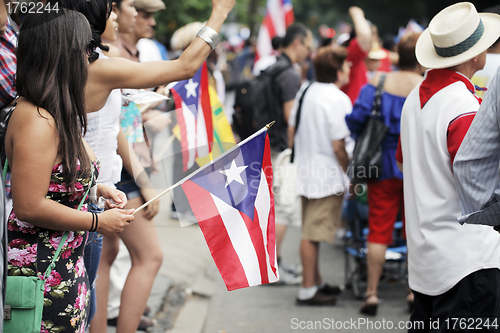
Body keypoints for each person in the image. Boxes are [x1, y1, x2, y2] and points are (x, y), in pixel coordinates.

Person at [55, 0, 235, 331]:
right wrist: (219, 14)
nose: (120, 17)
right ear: (95, 20)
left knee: (96, 274)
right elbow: (184, 67)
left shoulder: (90, 63)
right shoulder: (102, 68)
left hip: (101, 189)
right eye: (110, 11)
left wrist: (140, 175)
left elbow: (116, 127)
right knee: (129, 265)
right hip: (95, 191)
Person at [5, 9, 135, 331]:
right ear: (61, 54)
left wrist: (96, 189)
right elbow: (29, 204)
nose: (90, 58)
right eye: (84, 49)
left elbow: (54, 180)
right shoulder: (37, 119)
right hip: (41, 271)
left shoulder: (54, 109)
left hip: (63, 265)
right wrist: (97, 221)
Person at [396, 3, 500, 331]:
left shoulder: (415, 98)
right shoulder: (463, 105)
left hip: (427, 260)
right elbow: (479, 179)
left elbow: (403, 161)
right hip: (468, 261)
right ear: (474, 55)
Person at [346, 32, 424, 316]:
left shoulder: (377, 83)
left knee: (378, 230)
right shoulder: (427, 87)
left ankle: (372, 293)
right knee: (415, 231)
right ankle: (414, 291)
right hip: (416, 169)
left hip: (381, 166)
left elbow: (355, 121)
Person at [289, 46, 351, 305]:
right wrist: (351, 172)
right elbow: (339, 145)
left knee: (310, 229)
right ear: (337, 70)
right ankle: (307, 289)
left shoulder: (306, 90)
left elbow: (292, 128)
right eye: (346, 66)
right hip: (326, 176)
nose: (349, 70)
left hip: (305, 171)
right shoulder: (337, 98)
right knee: (312, 235)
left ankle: (316, 282)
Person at [268, 22, 313, 285]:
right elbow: (289, 116)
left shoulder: (272, 68)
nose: (309, 52)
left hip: (270, 146)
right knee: (283, 209)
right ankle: (273, 267)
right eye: (307, 46)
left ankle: (275, 262)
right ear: (297, 43)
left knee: (275, 208)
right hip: (282, 150)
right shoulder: (290, 75)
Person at [341, 6, 373, 105]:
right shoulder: (352, 55)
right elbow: (364, 35)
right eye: (373, 34)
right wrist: (357, 14)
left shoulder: (359, 60)